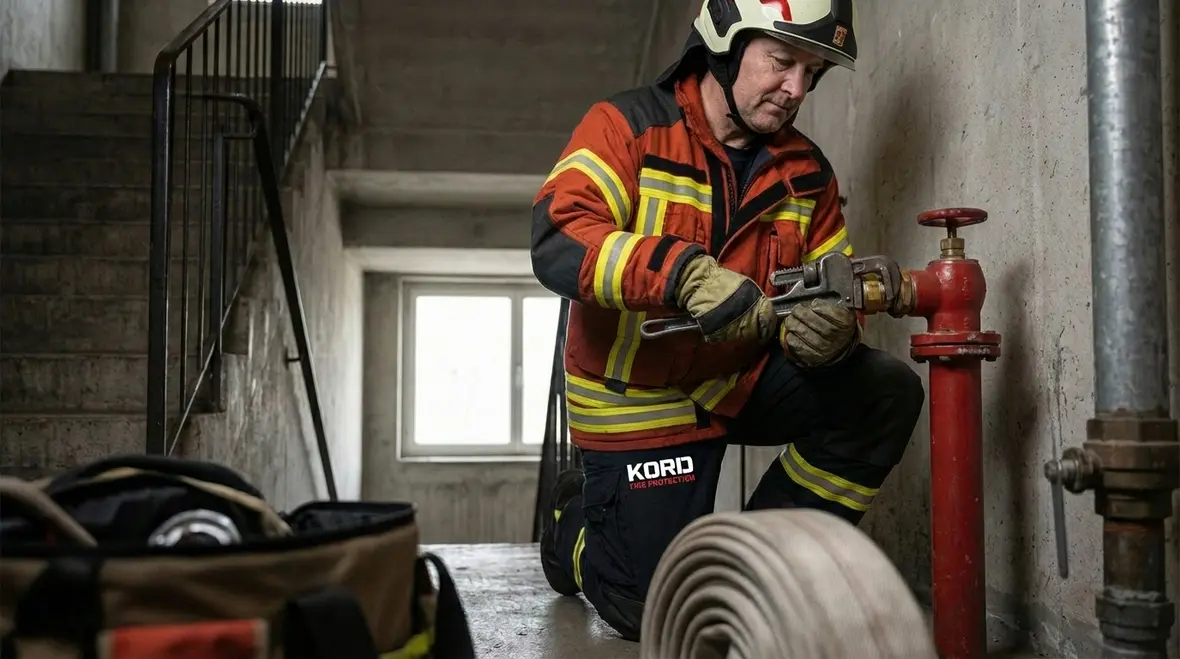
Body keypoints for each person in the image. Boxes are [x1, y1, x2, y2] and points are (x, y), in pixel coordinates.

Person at [530, 0, 924, 641]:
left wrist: (831, 329)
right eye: (782, 61)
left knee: (883, 391)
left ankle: (757, 566)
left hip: (739, 378)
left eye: (813, 71)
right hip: (638, 396)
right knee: (653, 613)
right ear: (724, 44)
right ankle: (576, 529)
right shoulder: (623, 127)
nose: (796, 88)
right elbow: (557, 235)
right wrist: (682, 273)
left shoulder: (807, 172)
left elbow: (833, 281)